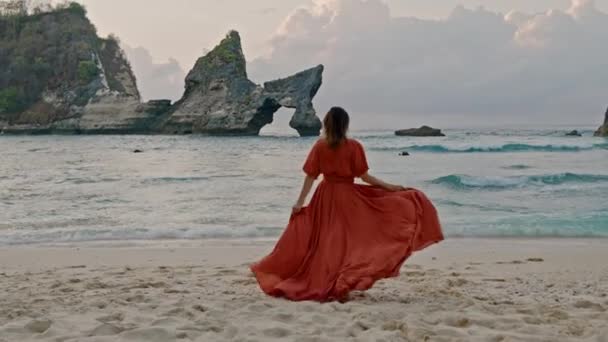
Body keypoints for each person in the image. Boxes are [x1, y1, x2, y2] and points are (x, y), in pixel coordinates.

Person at [251, 107, 444, 302]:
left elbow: (310, 176)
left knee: (325, 241)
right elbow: (365, 177)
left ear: (326, 124)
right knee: (346, 241)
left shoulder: (320, 146)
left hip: (324, 197)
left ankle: (328, 278)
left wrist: (300, 202)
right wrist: (390, 187)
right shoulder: (354, 146)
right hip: (347, 197)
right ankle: (337, 280)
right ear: (345, 124)